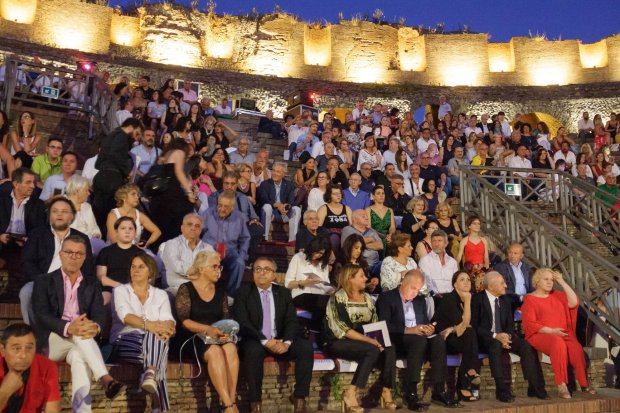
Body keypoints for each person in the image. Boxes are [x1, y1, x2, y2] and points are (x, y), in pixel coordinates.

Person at [32, 235, 125, 412]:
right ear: (60, 254)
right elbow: (41, 314)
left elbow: (99, 314)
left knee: (79, 358)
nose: (73, 257)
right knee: (79, 331)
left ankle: (82, 410)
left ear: (84, 258)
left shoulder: (92, 283)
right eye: (69, 252)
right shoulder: (44, 281)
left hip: (80, 341)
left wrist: (95, 327)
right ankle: (106, 379)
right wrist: (69, 327)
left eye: (78, 254)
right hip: (52, 341)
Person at [233, 257, 314, 413]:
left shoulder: (283, 293)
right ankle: (255, 403)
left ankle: (299, 398)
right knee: (252, 351)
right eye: (258, 269)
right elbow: (243, 322)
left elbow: (291, 321)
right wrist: (265, 341)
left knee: (305, 348)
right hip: (255, 339)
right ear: (253, 272)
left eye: (266, 269)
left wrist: (287, 343)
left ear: (274, 275)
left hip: (280, 339)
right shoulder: (243, 292)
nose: (262, 273)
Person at [376, 270, 460, 410]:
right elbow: (384, 325)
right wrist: (410, 330)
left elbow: (424, 321)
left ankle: (439, 390)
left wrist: (429, 329)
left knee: (438, 340)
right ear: (403, 283)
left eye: (418, 289)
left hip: (419, 337)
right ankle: (411, 392)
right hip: (398, 338)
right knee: (418, 341)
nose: (415, 292)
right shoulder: (387, 297)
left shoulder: (420, 300)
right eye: (413, 288)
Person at [323, 264, 396, 412]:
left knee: (389, 347)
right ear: (350, 278)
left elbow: (374, 322)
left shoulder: (368, 298)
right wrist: (371, 341)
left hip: (363, 341)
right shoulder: (337, 298)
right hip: (339, 341)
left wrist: (379, 341)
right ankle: (350, 392)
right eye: (361, 276)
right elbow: (343, 329)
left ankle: (386, 389)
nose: (366, 279)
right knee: (372, 350)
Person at [175, 251, 240, 413]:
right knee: (216, 351)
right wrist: (208, 330)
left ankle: (231, 401)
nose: (219, 270)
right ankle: (228, 405)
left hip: (215, 336)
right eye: (215, 266)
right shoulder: (186, 289)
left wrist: (225, 334)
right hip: (192, 337)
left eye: (220, 267)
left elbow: (226, 320)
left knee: (231, 347)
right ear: (202, 269)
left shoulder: (220, 292)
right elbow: (185, 321)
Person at [111, 253, 175, 412]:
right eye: (133, 266)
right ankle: (158, 402)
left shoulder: (160, 295)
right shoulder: (121, 290)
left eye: (141, 267)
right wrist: (151, 326)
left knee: (156, 339)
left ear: (150, 272)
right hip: (125, 339)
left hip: (154, 341)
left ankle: (150, 374)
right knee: (158, 343)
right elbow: (125, 317)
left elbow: (168, 320)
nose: (135, 270)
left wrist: (167, 330)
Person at [471, 271, 548, 402]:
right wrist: (496, 336)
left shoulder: (505, 300)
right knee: (495, 345)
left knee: (526, 346)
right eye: (502, 283)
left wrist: (507, 336)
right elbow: (474, 326)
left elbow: (510, 326)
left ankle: (534, 386)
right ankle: (501, 389)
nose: (506, 286)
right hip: (485, 340)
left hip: (505, 337)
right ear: (491, 287)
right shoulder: (477, 299)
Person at [521, 268, 597, 398]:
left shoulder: (557, 295)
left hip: (562, 333)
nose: (550, 282)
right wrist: (551, 331)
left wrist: (561, 281)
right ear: (537, 281)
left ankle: (584, 383)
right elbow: (530, 323)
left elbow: (574, 302)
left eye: (552, 280)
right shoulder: (530, 299)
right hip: (541, 333)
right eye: (546, 279)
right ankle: (561, 384)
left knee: (577, 349)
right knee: (557, 343)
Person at [20, 197, 94, 325]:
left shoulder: (81, 238)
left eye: (64, 211)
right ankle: (35, 333)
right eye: (55, 211)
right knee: (26, 292)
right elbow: (27, 261)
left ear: (72, 216)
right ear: (49, 215)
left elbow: (87, 266)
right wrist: (40, 280)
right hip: (43, 280)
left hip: (71, 281)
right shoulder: (37, 234)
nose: (59, 214)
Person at [433, 271, 481, 402]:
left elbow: (470, 326)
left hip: (462, 337)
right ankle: (466, 381)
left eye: (468, 280)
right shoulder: (449, 298)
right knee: (470, 335)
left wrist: (468, 300)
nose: (466, 282)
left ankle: (466, 379)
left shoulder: (472, 298)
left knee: (471, 335)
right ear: (455, 284)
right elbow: (463, 325)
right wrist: (467, 302)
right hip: (444, 340)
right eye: (462, 280)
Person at [92, 118, 143, 230]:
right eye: (136, 133)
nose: (135, 138)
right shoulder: (122, 136)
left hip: (103, 176)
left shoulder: (113, 135)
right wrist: (127, 170)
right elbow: (116, 154)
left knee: (98, 212)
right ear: (130, 127)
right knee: (107, 214)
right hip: (111, 179)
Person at [0, 323, 61, 413]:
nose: (23, 355)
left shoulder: (47, 367)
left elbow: (53, 410)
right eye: (16, 349)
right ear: (3, 350)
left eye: (29, 348)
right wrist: (5, 391)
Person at [202, 190, 250, 296]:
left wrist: (242, 255)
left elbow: (245, 238)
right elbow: (197, 232)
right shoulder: (208, 214)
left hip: (229, 251)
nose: (222, 209)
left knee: (239, 263)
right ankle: (206, 292)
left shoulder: (240, 218)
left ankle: (230, 296)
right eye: (220, 205)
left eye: (226, 207)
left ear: (232, 207)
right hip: (210, 250)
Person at [149, 139, 196, 245]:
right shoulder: (178, 153)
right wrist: (189, 192)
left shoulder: (163, 156)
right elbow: (178, 172)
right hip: (171, 197)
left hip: (158, 198)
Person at [285, 236, 333, 330]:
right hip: (301, 294)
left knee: (332, 301)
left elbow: (326, 284)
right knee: (323, 302)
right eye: (316, 252)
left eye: (321, 253)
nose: (318, 255)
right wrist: (304, 282)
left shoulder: (323, 263)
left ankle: (317, 333)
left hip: (320, 294)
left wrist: (331, 289)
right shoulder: (298, 257)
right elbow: (288, 284)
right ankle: (317, 333)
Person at [160, 213, 213, 294]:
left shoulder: (208, 248)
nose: (193, 228)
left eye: (197, 226)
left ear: (201, 230)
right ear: (182, 228)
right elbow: (177, 267)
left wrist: (194, 271)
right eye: (190, 224)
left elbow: (213, 270)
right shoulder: (171, 244)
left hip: (202, 288)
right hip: (177, 288)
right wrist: (200, 270)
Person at [96, 216, 143, 303]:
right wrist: (119, 286)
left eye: (130, 228)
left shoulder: (140, 254)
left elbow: (146, 276)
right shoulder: (106, 252)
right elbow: (100, 276)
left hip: (134, 290)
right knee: (103, 301)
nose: (127, 231)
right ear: (116, 232)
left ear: (135, 232)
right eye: (123, 228)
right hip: (110, 289)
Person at [257, 162, 301, 243]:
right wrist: (277, 205)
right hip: (271, 214)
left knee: (297, 209)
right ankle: (264, 238)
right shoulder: (265, 184)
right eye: (273, 171)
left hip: (284, 213)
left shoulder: (289, 185)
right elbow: (264, 200)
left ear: (283, 174)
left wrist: (286, 206)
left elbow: (291, 201)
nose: (274, 173)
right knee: (267, 206)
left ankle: (292, 240)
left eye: (278, 171)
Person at [0, 168, 45, 246]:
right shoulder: (2, 199)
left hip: (26, 243)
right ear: (16, 184)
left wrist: (29, 239)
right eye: (28, 182)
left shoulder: (39, 204)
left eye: (33, 182)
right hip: (3, 239)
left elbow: (40, 228)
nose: (33, 186)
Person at [106, 183, 161, 248]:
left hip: (135, 251)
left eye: (137, 195)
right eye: (133, 194)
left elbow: (157, 231)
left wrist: (145, 245)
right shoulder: (113, 215)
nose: (137, 197)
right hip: (115, 251)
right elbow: (114, 239)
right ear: (123, 197)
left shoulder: (140, 215)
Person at [65, 175, 103, 253]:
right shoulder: (63, 205)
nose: (89, 193)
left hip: (91, 242)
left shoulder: (87, 207)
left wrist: (96, 235)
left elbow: (95, 228)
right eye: (86, 190)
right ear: (77, 191)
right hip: (72, 244)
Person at [341, 209, 384, 276]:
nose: (367, 218)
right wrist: (371, 239)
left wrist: (361, 244)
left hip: (375, 265)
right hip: (358, 266)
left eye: (366, 216)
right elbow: (350, 244)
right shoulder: (347, 229)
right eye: (363, 216)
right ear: (355, 219)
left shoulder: (371, 230)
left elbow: (380, 245)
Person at [494, 243, 533, 311]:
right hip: (510, 298)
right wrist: (520, 297)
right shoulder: (501, 267)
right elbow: (502, 288)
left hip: (527, 298)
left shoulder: (526, 267)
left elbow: (531, 285)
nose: (512, 256)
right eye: (510, 252)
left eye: (515, 253)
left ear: (521, 256)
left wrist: (533, 295)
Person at [419, 229, 459, 296]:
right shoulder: (424, 261)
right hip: (434, 298)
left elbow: (456, 282)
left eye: (439, 241)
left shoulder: (452, 262)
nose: (436, 244)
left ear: (446, 243)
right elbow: (425, 285)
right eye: (434, 241)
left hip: (451, 298)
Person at [317, 184, 352, 254]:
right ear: (329, 195)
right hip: (329, 236)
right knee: (334, 238)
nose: (338, 195)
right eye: (335, 194)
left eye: (339, 193)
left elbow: (351, 226)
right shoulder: (323, 208)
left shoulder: (347, 208)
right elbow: (318, 228)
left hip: (345, 235)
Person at [366, 185, 396, 253]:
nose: (381, 195)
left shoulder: (390, 210)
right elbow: (369, 228)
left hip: (388, 237)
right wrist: (384, 236)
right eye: (378, 193)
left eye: (383, 193)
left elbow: (392, 227)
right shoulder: (368, 210)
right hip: (375, 237)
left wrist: (390, 235)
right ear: (373, 196)